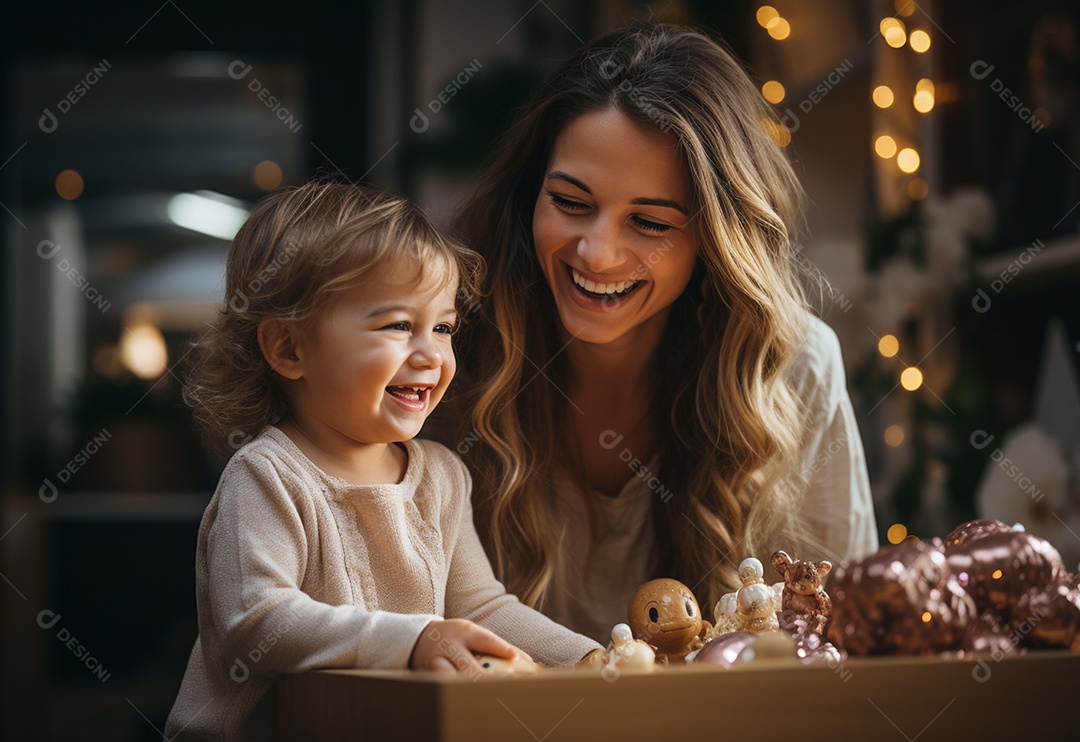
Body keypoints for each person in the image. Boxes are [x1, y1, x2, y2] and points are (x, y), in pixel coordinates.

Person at [443, 23, 879, 644]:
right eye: (570, 203)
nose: (597, 253)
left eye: (649, 222)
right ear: (528, 197)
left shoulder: (794, 366)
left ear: (715, 238)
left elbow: (837, 640)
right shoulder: (442, 353)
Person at [165, 182, 600, 741]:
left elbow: (482, 609)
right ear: (288, 348)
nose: (431, 354)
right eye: (398, 325)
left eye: (443, 327)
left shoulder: (441, 476)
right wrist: (413, 640)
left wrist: (590, 661)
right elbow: (254, 623)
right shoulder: (266, 476)